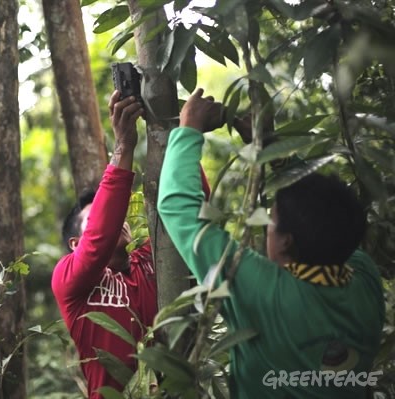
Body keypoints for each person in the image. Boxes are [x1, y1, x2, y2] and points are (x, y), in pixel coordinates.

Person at [157, 88, 385, 398]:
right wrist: (274, 151)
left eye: (271, 220)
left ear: (286, 242)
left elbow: (178, 210)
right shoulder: (365, 281)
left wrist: (188, 129)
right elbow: (329, 216)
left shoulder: (262, 292)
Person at [51, 91, 158, 398]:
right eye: (94, 219)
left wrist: (174, 130)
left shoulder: (150, 261)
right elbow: (100, 238)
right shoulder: (68, 279)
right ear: (74, 243)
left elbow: (188, 212)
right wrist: (123, 146)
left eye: (110, 214)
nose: (115, 221)